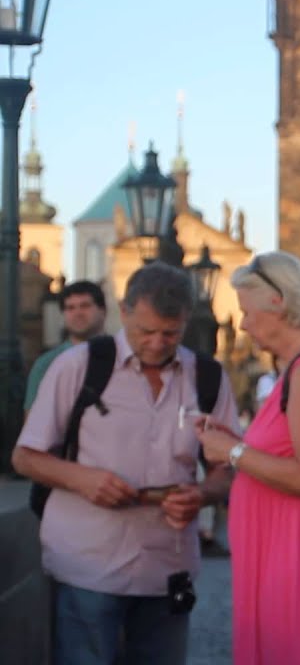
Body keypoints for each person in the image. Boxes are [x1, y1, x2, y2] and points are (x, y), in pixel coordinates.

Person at [13, 262, 239, 665]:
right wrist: (82, 479)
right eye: (145, 331)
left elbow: (227, 467)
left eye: (170, 333)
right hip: (87, 567)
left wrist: (203, 494)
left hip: (166, 569)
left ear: (186, 320)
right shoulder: (78, 366)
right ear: (124, 310)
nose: (156, 343)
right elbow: (25, 456)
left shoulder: (207, 376)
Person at [196, 251, 300, 665]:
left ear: (277, 302)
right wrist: (236, 443)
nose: (243, 325)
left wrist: (232, 451)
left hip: (299, 551)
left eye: (247, 312)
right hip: (283, 549)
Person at [24, 280, 108, 414]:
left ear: (103, 310)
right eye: (70, 308)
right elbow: (32, 419)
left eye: (85, 306)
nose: (78, 313)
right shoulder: (47, 364)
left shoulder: (123, 357)